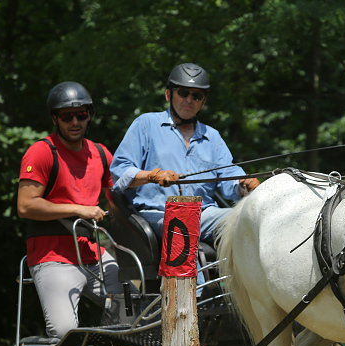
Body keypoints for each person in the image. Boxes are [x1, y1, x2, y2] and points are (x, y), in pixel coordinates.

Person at [17, 81, 124, 339]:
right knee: (65, 332)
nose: (75, 121)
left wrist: (154, 179)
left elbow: (118, 198)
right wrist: (79, 210)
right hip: (52, 256)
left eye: (82, 114)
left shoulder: (100, 153)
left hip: (91, 252)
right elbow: (25, 205)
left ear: (89, 116)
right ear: (55, 118)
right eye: (67, 116)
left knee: (134, 307)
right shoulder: (41, 152)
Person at [110, 63, 259, 245]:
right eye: (183, 92)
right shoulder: (145, 124)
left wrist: (244, 184)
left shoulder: (212, 137)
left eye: (196, 96)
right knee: (183, 223)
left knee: (251, 217)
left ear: (203, 103)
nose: (189, 99)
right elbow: (120, 171)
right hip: (157, 215)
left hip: (205, 214)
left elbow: (229, 176)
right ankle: (192, 275)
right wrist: (151, 176)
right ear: (168, 95)